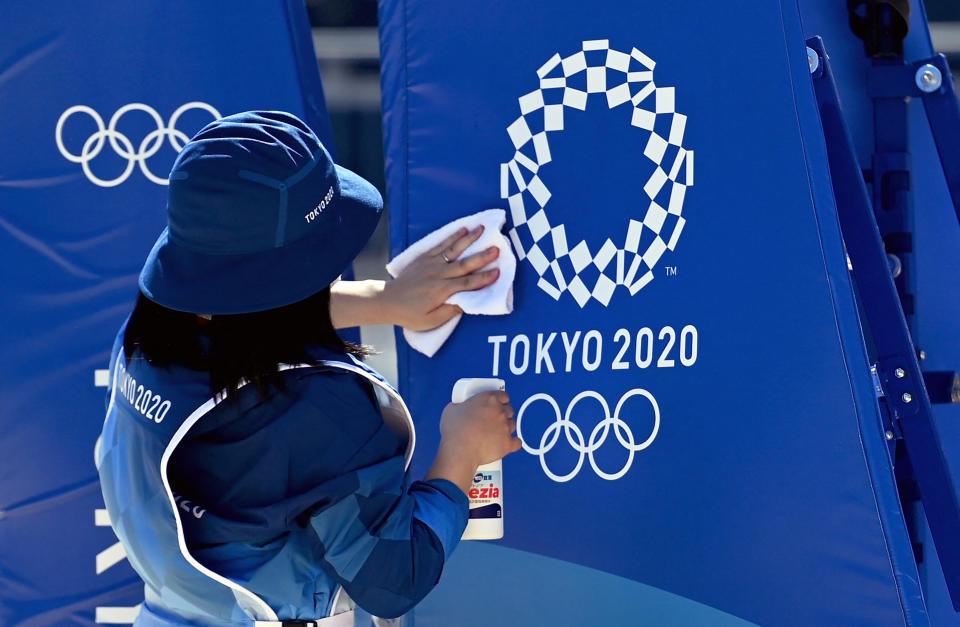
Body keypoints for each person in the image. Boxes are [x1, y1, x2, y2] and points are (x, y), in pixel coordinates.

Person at [96, 111, 522, 626]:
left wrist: (386, 299)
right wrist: (463, 452)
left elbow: (242, 329)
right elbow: (392, 580)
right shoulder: (317, 410)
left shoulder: (145, 338)